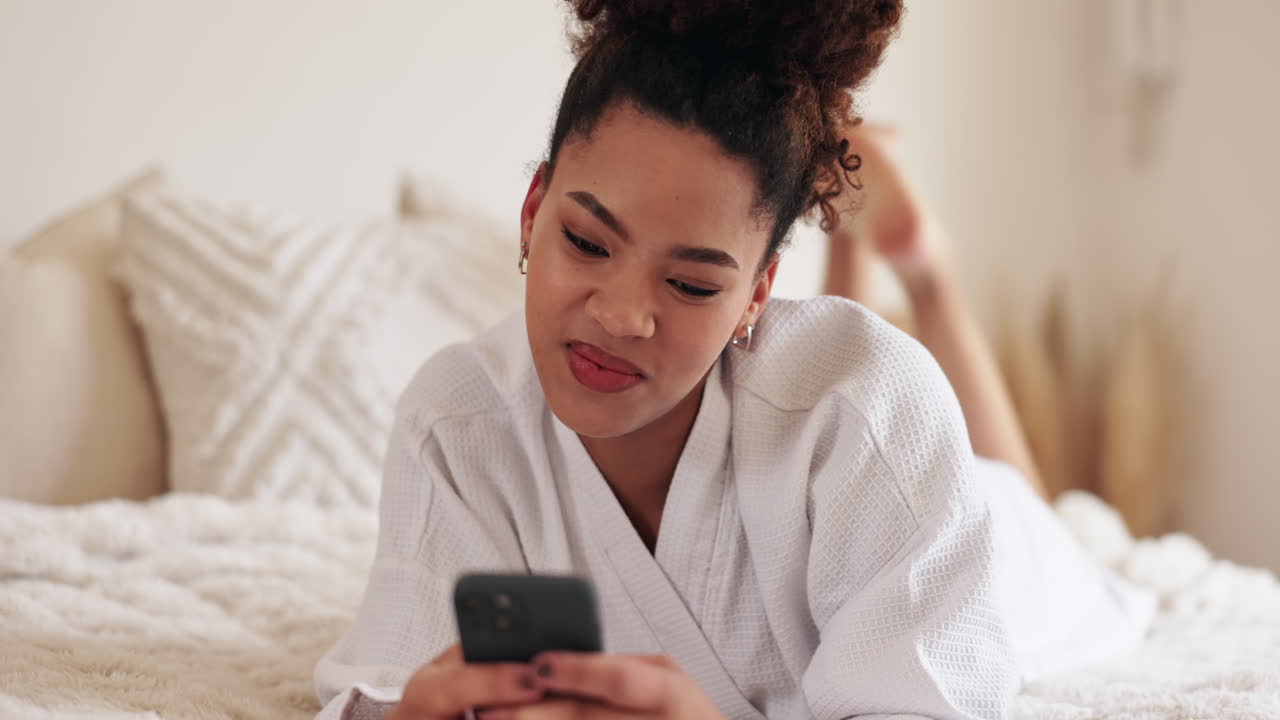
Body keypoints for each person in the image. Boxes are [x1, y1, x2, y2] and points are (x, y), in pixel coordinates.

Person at [315, 2, 1154, 718]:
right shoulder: (460, 422)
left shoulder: (870, 405)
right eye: (585, 240)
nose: (619, 316)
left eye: (689, 283)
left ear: (759, 293)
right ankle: (856, 237)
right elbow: (386, 681)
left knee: (1039, 514)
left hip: (983, 542)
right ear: (533, 209)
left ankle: (931, 275)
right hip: (850, 441)